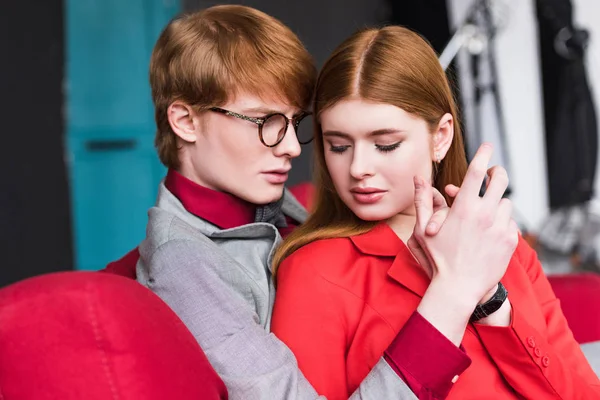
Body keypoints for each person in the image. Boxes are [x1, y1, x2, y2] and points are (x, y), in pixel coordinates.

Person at [270, 26, 600, 399]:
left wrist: (491, 301)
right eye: (339, 146)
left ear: (440, 136)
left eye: (385, 144)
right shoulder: (313, 271)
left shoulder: (502, 243)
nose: (358, 167)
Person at [127, 5, 435, 399]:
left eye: (293, 122)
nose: (291, 147)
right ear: (186, 121)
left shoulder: (278, 208)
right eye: (264, 122)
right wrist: (447, 306)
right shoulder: (185, 267)